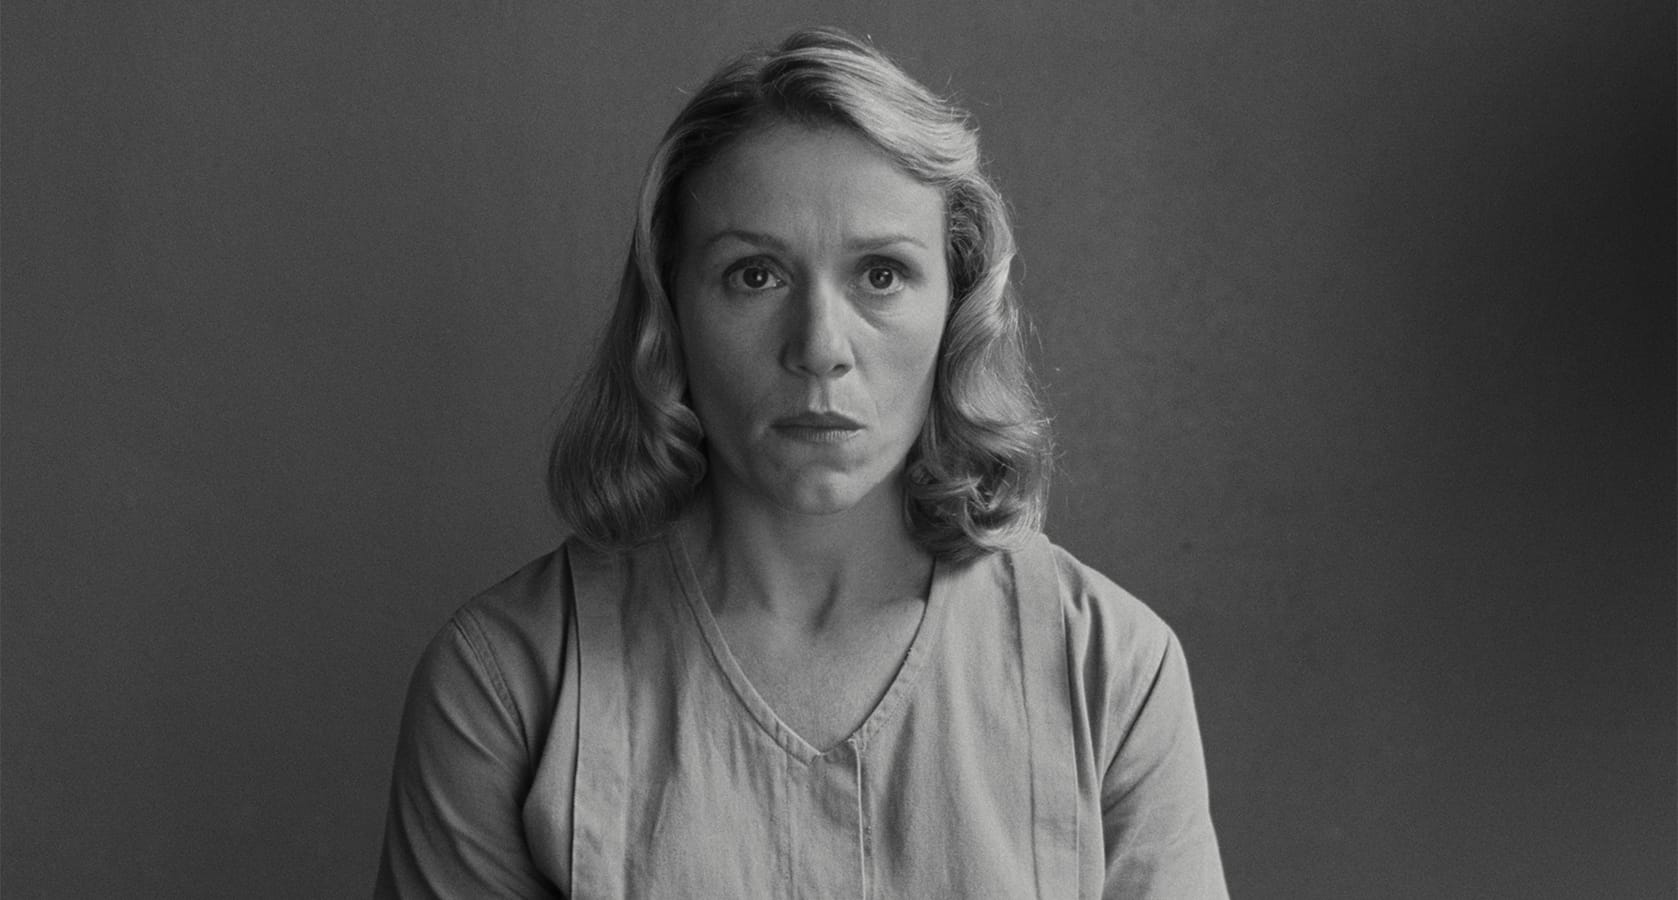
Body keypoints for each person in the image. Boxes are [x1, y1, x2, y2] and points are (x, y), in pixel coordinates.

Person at [375, 26, 1227, 899]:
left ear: (958, 305)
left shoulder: (1109, 669)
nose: (820, 346)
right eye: (755, 275)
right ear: (668, 312)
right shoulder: (506, 683)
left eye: (882, 275)